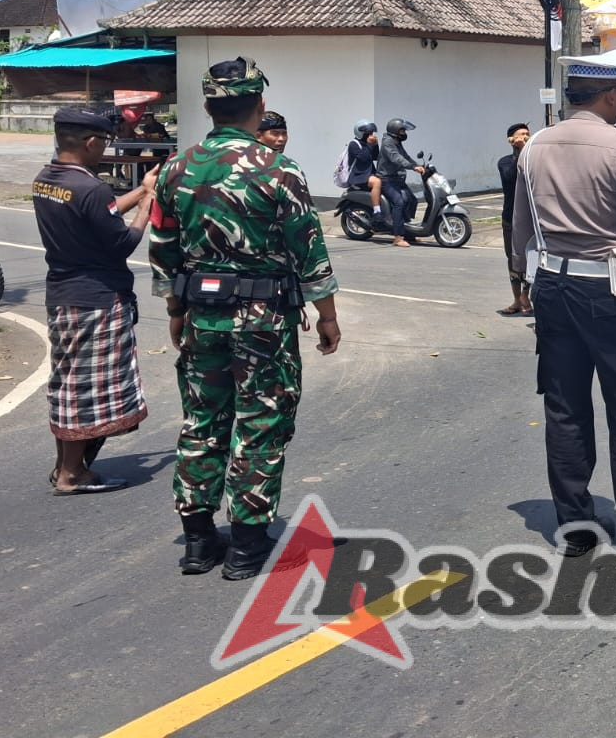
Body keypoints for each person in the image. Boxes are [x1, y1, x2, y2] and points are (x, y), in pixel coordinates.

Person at [151, 57, 341, 580]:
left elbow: (163, 247)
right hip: (263, 322)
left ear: (209, 107)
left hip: (202, 317)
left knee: (202, 421)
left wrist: (175, 309)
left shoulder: (174, 169)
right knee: (260, 425)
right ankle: (247, 548)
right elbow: (309, 249)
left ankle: (197, 542)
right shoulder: (281, 170)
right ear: (259, 107)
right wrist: (327, 315)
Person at [511, 49, 616, 562]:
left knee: (565, 409)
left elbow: (520, 228)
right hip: (610, 295)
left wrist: (524, 284)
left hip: (553, 292)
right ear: (610, 95)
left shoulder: (533, 146)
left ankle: (575, 528)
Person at [32, 106, 156, 495]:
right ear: (90, 143)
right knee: (83, 387)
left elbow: (97, 214)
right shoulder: (91, 187)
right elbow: (121, 241)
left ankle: (64, 466)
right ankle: (73, 474)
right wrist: (146, 211)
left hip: (63, 295)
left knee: (68, 378)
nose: (105, 148)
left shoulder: (47, 179)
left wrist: (141, 190)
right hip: (96, 299)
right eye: (103, 141)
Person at [498, 122, 533, 317]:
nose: (526, 137)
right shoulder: (505, 161)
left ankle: (526, 296)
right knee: (512, 259)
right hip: (511, 217)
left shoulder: (533, 159)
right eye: (522, 134)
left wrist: (526, 150)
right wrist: (520, 151)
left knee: (531, 258)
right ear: (511, 140)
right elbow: (511, 175)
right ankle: (516, 298)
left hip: (531, 218)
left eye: (528, 134)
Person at [377, 117, 425, 248]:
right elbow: (396, 158)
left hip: (397, 179)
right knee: (399, 202)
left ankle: (409, 233)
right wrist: (412, 167)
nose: (405, 133)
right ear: (395, 131)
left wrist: (418, 165)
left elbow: (406, 156)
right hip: (387, 179)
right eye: (403, 131)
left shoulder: (397, 141)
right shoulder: (388, 142)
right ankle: (398, 237)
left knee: (412, 200)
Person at [345, 121, 384, 218]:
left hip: (368, 174)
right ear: (361, 133)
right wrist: (370, 144)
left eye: (371, 133)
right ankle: (377, 211)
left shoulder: (366, 143)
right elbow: (364, 158)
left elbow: (375, 157)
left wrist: (375, 145)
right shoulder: (353, 144)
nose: (370, 135)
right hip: (359, 176)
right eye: (368, 133)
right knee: (377, 182)